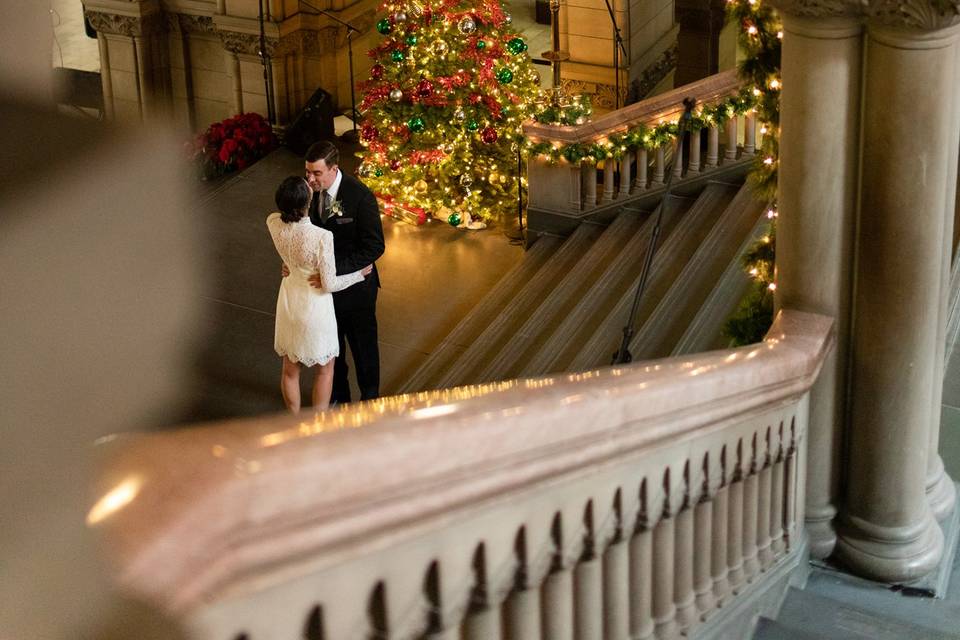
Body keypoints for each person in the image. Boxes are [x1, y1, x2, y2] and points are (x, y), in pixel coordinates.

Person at [268, 176, 372, 412]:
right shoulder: (322, 237)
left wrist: (289, 263)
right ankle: (317, 423)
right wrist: (359, 274)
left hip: (289, 300)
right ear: (308, 200)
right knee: (325, 369)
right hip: (314, 306)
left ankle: (293, 420)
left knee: (289, 369)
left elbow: (288, 246)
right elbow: (330, 283)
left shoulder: (272, 222)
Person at [303, 140, 385, 403]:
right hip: (325, 292)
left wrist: (333, 269)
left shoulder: (361, 196)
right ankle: (339, 396)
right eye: (308, 172)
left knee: (363, 349)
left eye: (316, 173)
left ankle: (370, 399)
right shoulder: (309, 192)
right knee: (332, 348)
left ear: (334, 168)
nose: (310, 179)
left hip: (357, 289)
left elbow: (374, 246)